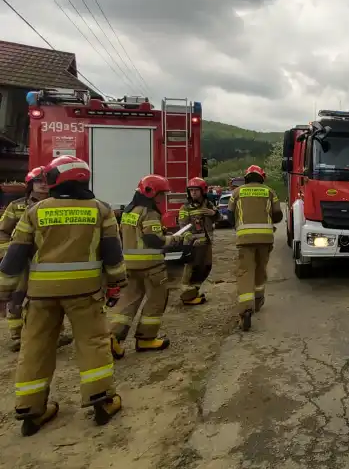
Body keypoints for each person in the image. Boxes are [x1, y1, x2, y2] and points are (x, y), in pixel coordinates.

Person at [0, 155, 127, 436]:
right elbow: (112, 253)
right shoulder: (101, 210)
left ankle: (31, 410)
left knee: (35, 348)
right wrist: (117, 282)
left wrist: (5, 292)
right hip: (86, 292)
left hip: (40, 295)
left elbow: (15, 256)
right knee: (93, 343)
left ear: (57, 179)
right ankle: (101, 401)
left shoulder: (35, 212)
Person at [109, 174, 185, 358]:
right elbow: (153, 239)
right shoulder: (149, 212)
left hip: (130, 266)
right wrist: (173, 239)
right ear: (151, 193)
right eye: (161, 194)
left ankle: (113, 337)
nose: (162, 198)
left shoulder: (129, 212)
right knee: (156, 301)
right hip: (151, 266)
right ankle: (146, 338)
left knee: (128, 301)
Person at [1, 167, 73, 352]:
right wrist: (8, 253)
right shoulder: (16, 207)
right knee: (18, 296)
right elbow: (3, 232)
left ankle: (56, 334)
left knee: (50, 297)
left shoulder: (57, 204)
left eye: (45, 181)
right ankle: (18, 336)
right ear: (30, 184)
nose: (42, 185)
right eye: (38, 181)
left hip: (47, 260)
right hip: (22, 260)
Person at [226, 165, 282, 331]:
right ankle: (258, 299)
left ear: (246, 177)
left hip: (244, 239)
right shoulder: (270, 192)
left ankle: (246, 310)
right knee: (260, 268)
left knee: (245, 272)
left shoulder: (237, 193)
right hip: (265, 239)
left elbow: (229, 215)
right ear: (261, 177)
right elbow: (278, 215)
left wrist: (239, 224)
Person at [177, 177, 219, 306]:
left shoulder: (209, 204)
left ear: (203, 191)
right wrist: (190, 239)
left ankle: (193, 292)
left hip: (206, 243)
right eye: (191, 190)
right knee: (191, 270)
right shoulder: (185, 208)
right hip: (193, 245)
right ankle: (186, 295)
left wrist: (213, 213)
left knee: (206, 268)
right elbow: (183, 227)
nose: (193, 193)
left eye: (196, 190)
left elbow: (218, 218)